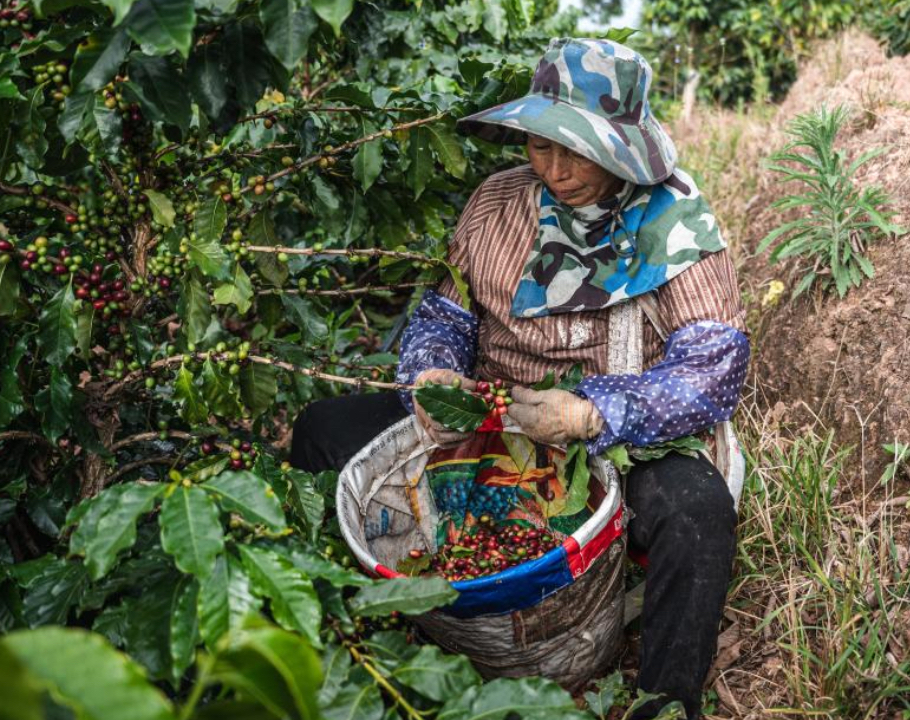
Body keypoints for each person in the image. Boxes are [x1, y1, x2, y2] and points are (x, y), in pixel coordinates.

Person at [290, 37, 749, 718]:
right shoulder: (495, 205)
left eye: (577, 151)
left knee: (698, 513)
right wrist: (436, 373)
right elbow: (445, 312)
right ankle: (355, 633)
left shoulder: (674, 219)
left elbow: (712, 370)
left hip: (613, 434)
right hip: (495, 417)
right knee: (321, 430)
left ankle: (664, 701)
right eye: (542, 146)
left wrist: (589, 413)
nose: (557, 171)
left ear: (623, 150)